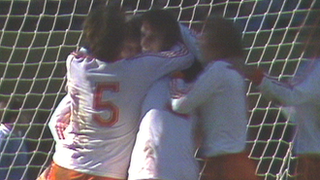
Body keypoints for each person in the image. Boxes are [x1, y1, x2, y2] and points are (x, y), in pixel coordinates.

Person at [44, 4, 194, 180]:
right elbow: (185, 55)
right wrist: (172, 26)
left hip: (67, 164)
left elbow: (87, 49)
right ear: (122, 39)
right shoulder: (138, 69)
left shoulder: (75, 64)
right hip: (108, 172)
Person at [170, 15, 261, 180]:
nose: (199, 41)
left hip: (225, 166)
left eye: (204, 36)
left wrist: (175, 75)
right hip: (236, 161)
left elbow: (180, 104)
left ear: (217, 43)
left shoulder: (217, 70)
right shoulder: (231, 70)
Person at [244, 12, 320, 180]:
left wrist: (259, 78)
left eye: (305, 33)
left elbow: (291, 95)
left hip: (313, 156)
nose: (300, 38)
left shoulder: (315, 69)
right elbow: (294, 107)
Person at [127, 9, 201, 180]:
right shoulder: (140, 75)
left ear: (169, 40)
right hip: (153, 168)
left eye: (151, 37)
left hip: (163, 170)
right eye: (142, 36)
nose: (144, 43)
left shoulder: (197, 82)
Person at [0, 97, 31, 180]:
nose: (29, 118)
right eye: (25, 115)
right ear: (14, 117)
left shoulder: (19, 136)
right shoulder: (3, 138)